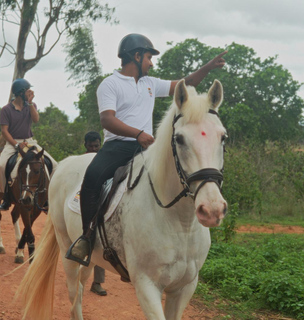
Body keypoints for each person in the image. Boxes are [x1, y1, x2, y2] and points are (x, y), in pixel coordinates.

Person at [66, 33, 227, 266]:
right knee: (91, 178)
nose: (152, 63)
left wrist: (209, 67)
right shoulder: (109, 84)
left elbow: (187, 84)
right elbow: (107, 120)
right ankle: (86, 238)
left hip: (147, 149)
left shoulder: (150, 83)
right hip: (117, 147)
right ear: (137, 56)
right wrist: (137, 134)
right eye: (149, 57)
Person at [0, 78, 58, 211]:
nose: (31, 93)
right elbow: (4, 131)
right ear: (21, 92)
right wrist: (16, 145)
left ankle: (47, 196)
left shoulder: (31, 105)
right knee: (1, 166)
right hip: (13, 142)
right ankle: (6, 196)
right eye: (28, 91)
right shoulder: (6, 109)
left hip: (30, 141)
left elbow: (36, 120)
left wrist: (30, 103)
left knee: (54, 164)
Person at [83, 131, 107, 296]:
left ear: (100, 145)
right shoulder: (80, 162)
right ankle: (78, 280)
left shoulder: (105, 161)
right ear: (85, 146)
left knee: (100, 244)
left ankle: (97, 282)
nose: (93, 149)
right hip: (82, 206)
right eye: (90, 146)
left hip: (100, 206)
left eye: (96, 146)